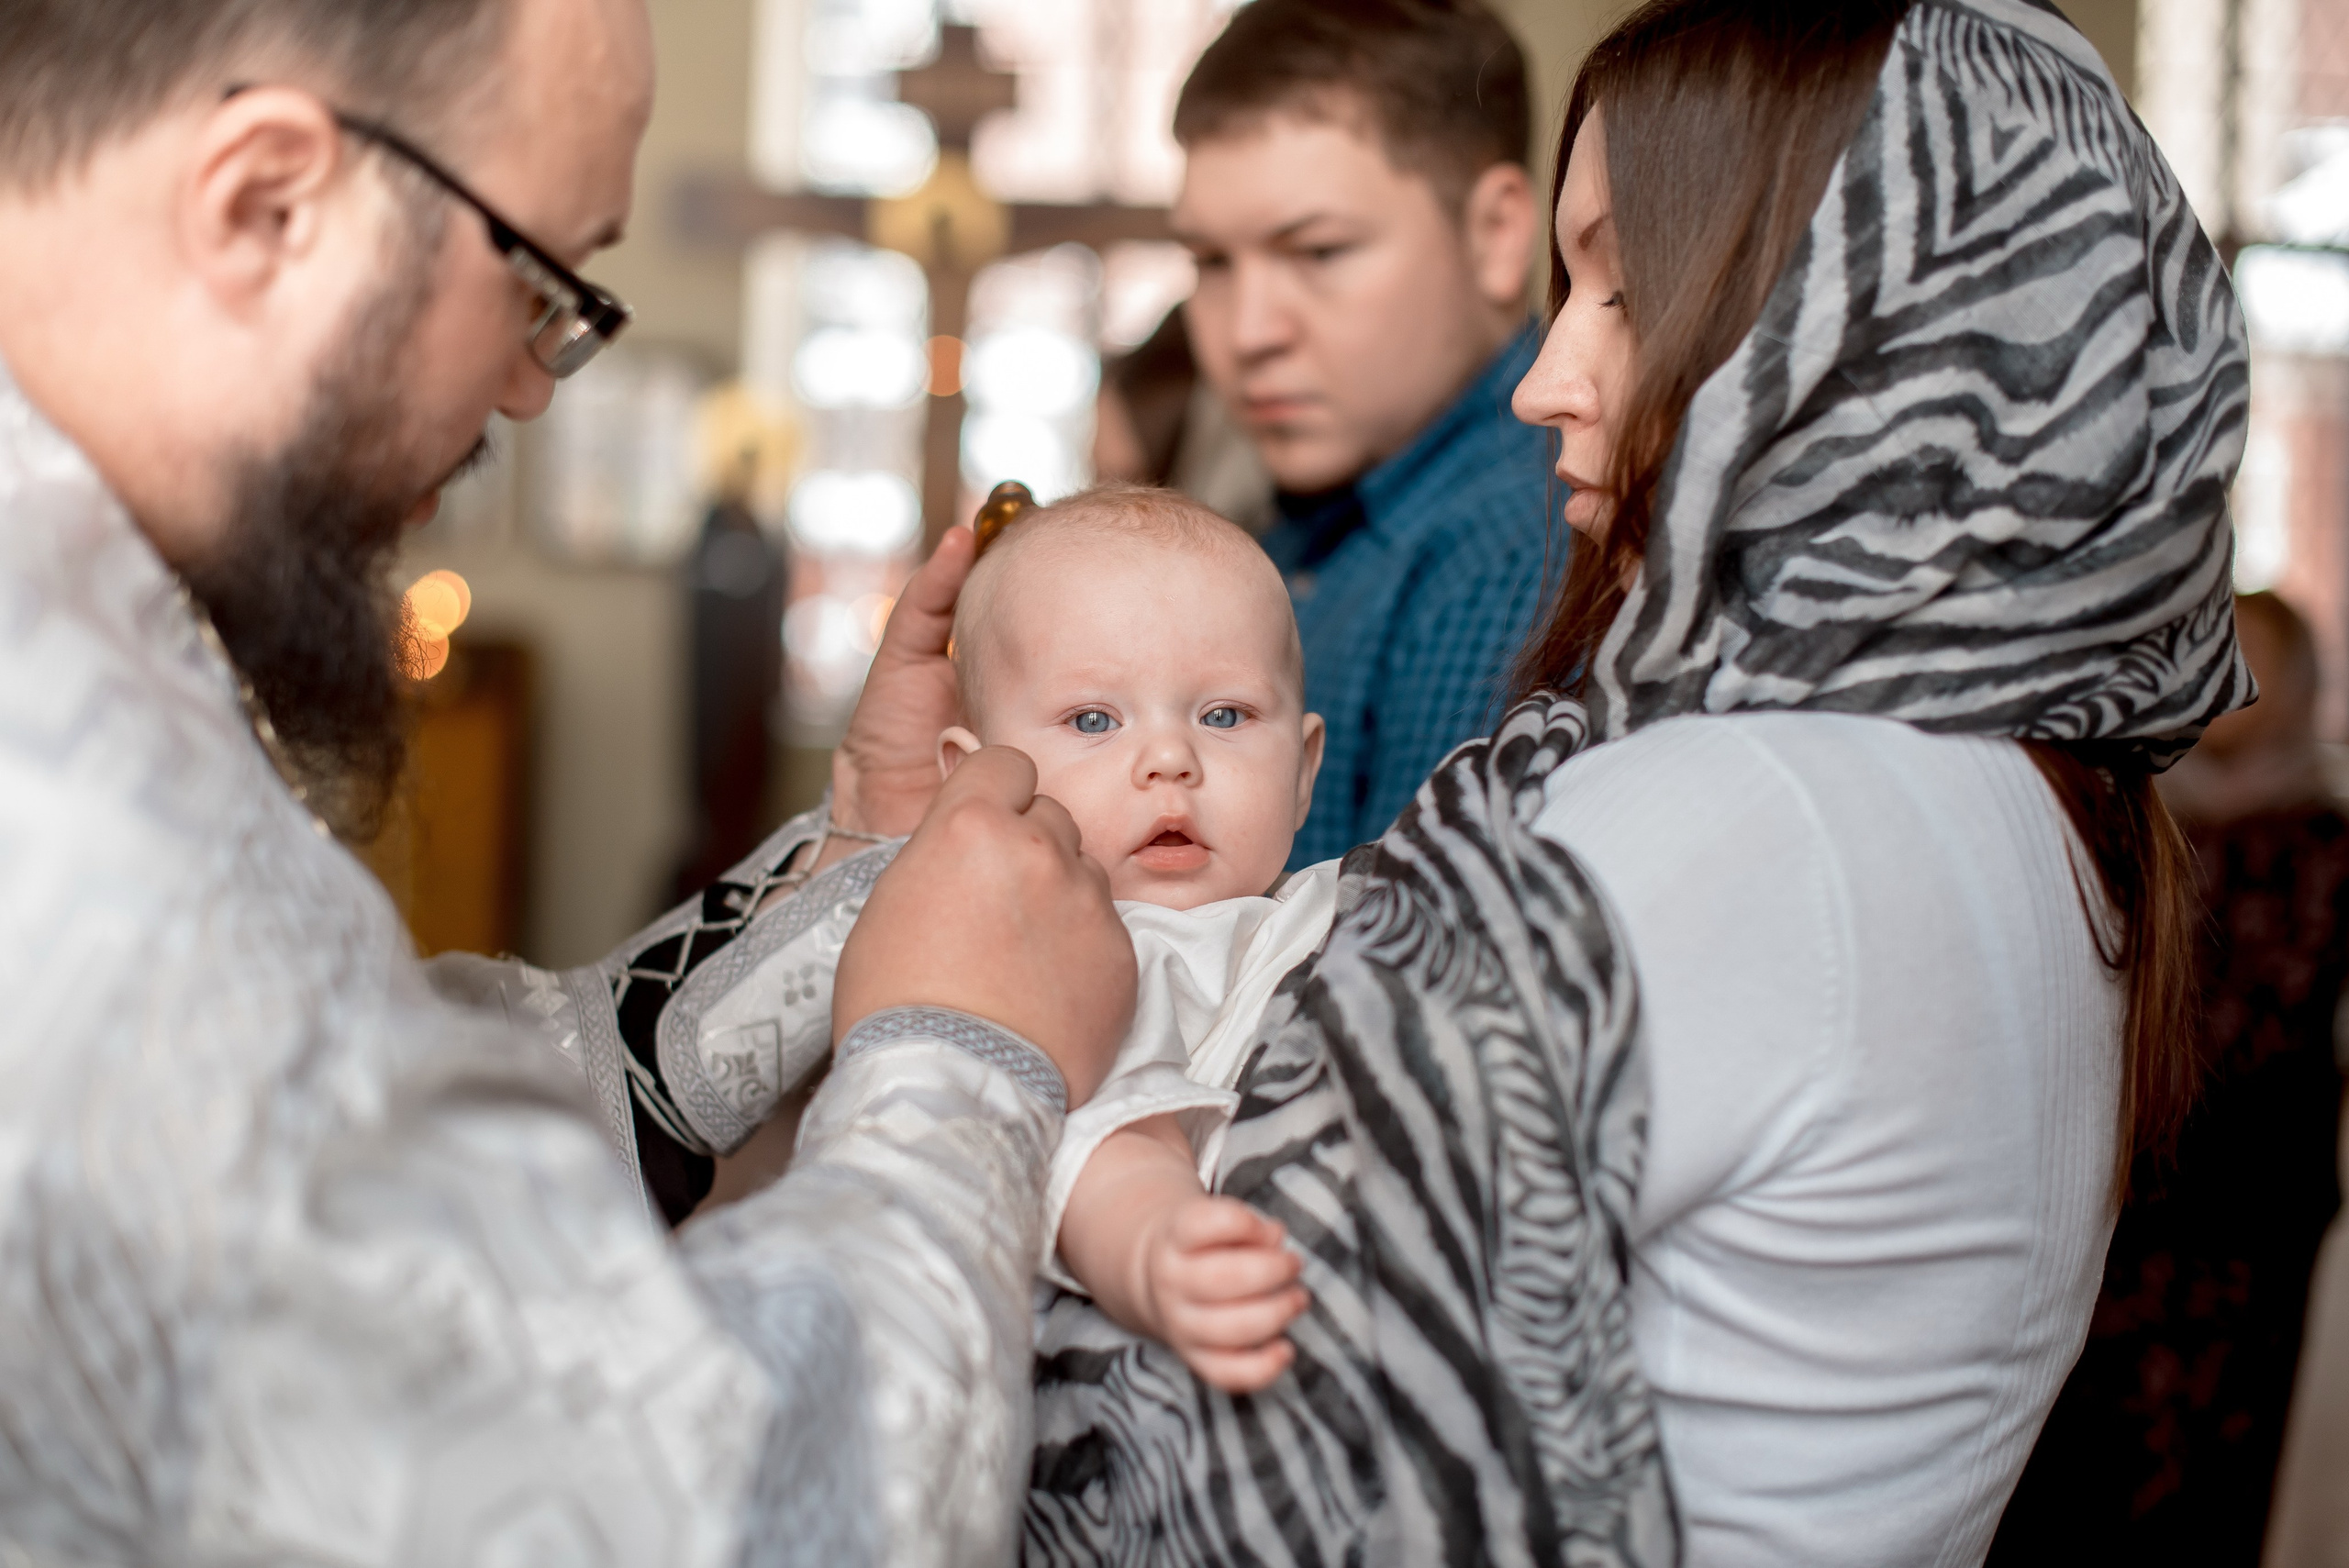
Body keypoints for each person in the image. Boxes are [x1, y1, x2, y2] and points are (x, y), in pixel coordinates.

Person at [811, 0, 2253, 1562]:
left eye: (1627, 295)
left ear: (1863, 330)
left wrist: (947, 1045)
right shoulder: (2000, 783)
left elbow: (1213, 1476)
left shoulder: (1727, 816)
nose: (1546, 382)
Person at [0, 0, 1135, 1561]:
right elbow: (690, 1511)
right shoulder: (88, 831)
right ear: (264, 200)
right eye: (539, 280)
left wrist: (856, 870)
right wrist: (968, 1052)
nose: (537, 388)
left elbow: (375, 1112)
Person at [1990, 592, 2349, 1563]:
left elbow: (2274, 1023)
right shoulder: (2130, 819)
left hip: (2250, 1208)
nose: (2242, 694)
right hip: (2126, 1195)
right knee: (2088, 1461)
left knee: (2218, 1465)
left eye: (2261, 669)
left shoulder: (2326, 839)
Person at [1170, 0, 1562, 865]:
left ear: (1496, 234)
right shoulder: (1302, 526)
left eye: (1318, 252)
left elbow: (1404, 987)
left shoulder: (1516, 551)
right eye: (1212, 263)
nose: (1247, 332)